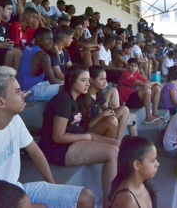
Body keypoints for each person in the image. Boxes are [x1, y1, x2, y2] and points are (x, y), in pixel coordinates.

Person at [0, 66, 94, 207]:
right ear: (0, 102)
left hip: (18, 189)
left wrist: (53, 187)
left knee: (85, 198)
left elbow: (35, 152)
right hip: (3, 202)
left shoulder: (13, 119)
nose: (24, 94)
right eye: (17, 91)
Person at [40, 64, 120, 207]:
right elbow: (58, 137)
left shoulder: (77, 98)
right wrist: (87, 137)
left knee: (120, 146)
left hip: (76, 138)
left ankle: (122, 189)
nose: (88, 84)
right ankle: (110, 203)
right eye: (83, 80)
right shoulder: (63, 100)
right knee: (112, 152)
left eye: (88, 80)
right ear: (71, 80)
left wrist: (87, 135)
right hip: (59, 149)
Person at [79, 65, 135, 141]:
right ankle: (115, 145)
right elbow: (86, 126)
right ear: (91, 80)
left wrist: (110, 107)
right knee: (112, 120)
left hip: (99, 122)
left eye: (105, 79)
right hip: (89, 130)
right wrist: (103, 114)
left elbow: (106, 110)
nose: (105, 82)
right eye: (101, 79)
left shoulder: (98, 93)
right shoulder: (84, 97)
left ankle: (118, 142)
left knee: (124, 109)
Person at [109, 136, 159, 208]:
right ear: (137, 165)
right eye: (152, 160)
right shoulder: (127, 200)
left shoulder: (143, 184)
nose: (157, 164)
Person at [17, 28, 63, 102]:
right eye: (48, 39)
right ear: (38, 39)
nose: (51, 42)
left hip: (23, 87)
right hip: (30, 91)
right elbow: (53, 80)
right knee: (68, 88)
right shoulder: (43, 56)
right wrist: (69, 82)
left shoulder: (28, 47)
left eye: (52, 39)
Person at [117, 58, 163, 124]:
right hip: (126, 101)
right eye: (131, 65)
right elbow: (144, 84)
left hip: (134, 98)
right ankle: (148, 117)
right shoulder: (126, 74)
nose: (133, 68)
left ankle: (154, 113)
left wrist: (155, 83)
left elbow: (147, 82)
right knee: (147, 90)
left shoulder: (136, 74)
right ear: (127, 66)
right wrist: (155, 82)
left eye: (135, 66)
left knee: (157, 88)